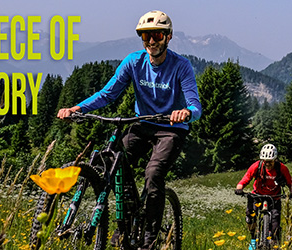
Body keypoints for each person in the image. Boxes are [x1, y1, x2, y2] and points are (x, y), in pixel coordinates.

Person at [55, 10, 201, 249]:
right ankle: (125, 226)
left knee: (153, 175)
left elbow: (195, 104)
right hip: (142, 123)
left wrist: (186, 112)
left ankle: (149, 239)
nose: (151, 41)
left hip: (172, 128)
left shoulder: (181, 66)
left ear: (168, 37)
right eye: (146, 37)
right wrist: (77, 108)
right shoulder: (134, 62)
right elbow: (108, 93)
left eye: (157, 36)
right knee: (112, 163)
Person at [236, 144, 292, 250]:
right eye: (265, 161)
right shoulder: (257, 166)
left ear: (275, 160)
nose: (267, 163)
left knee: (275, 224)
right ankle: (253, 239)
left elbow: (289, 182)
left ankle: (274, 245)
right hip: (257, 195)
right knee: (250, 217)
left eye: (270, 161)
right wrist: (239, 187)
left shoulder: (282, 168)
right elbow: (246, 178)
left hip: (275, 197)